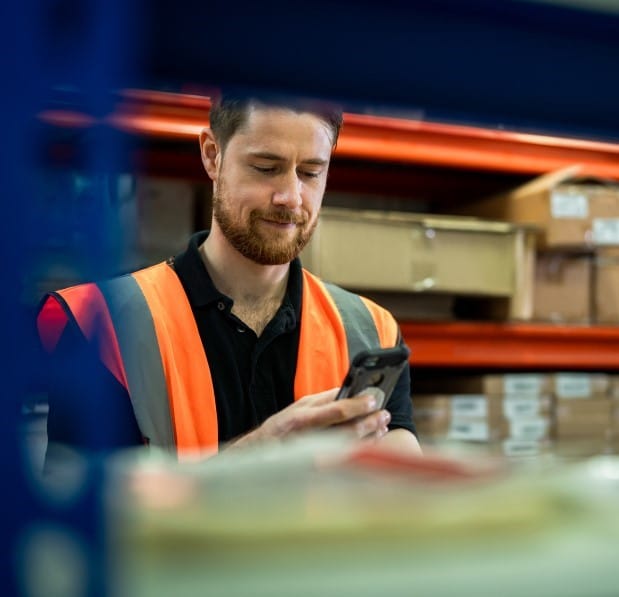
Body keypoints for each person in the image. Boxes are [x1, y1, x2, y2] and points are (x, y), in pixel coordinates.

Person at [37, 91, 421, 462]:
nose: (290, 196)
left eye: (310, 172)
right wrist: (265, 451)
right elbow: (80, 512)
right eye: (266, 168)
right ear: (212, 156)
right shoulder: (99, 324)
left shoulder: (372, 331)